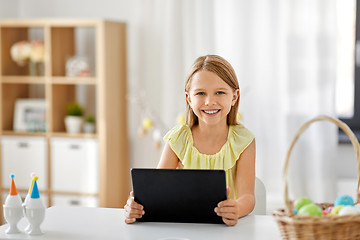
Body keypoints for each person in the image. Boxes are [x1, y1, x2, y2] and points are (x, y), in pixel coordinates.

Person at [124, 55, 256, 226]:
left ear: (234, 97)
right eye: (200, 93)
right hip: (185, 229)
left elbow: (248, 197)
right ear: (188, 98)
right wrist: (133, 207)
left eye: (220, 92)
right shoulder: (178, 138)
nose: (210, 101)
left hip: (227, 230)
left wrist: (236, 208)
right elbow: (156, 193)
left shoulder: (244, 140)